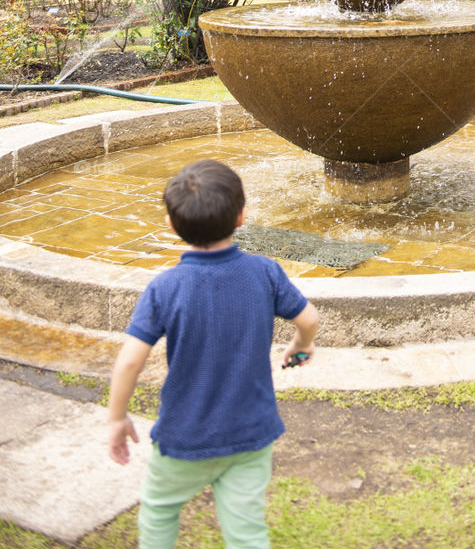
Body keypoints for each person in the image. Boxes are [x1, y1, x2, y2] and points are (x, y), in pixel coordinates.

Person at [107, 159, 319, 549]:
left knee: (158, 509)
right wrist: (302, 345)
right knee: (246, 530)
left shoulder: (165, 288)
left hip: (185, 434)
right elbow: (308, 318)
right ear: (241, 216)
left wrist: (117, 417)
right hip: (252, 433)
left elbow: (130, 360)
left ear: (172, 226)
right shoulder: (265, 272)